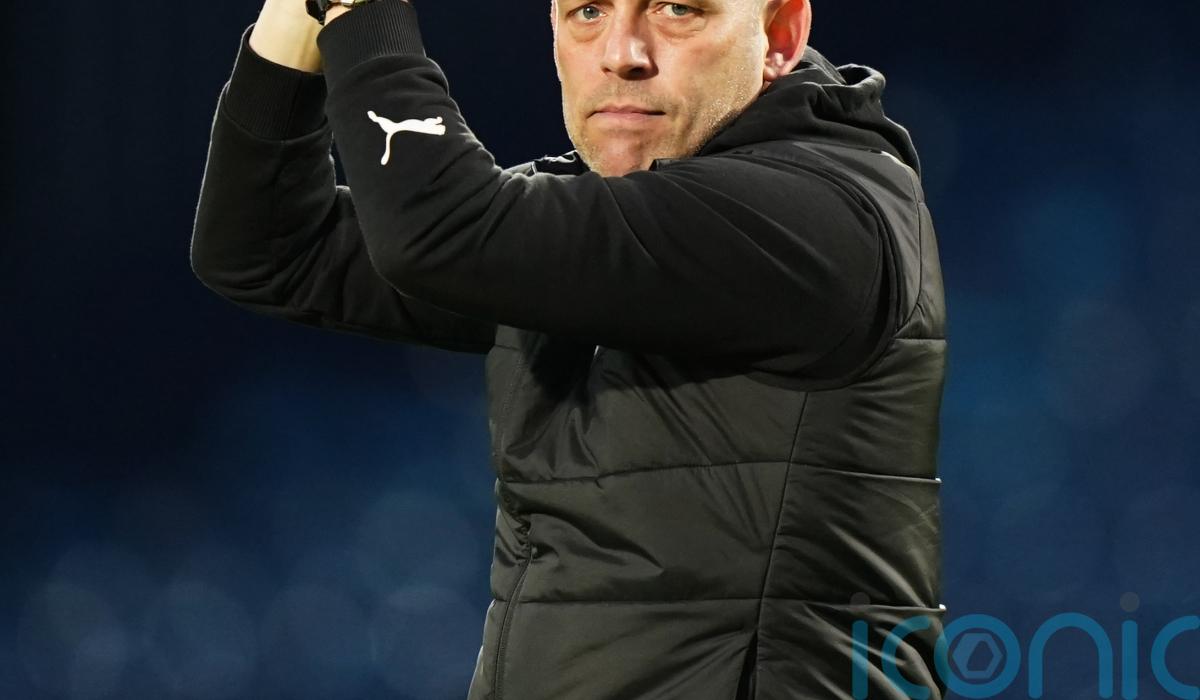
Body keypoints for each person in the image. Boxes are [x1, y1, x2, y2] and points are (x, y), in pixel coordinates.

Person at [190, 0, 949, 696]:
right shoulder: (613, 224)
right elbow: (265, 248)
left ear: (779, 36)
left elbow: (441, 230)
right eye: (587, 11)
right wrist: (301, 14)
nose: (621, 53)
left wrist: (360, 12)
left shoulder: (819, 217)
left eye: (678, 10)